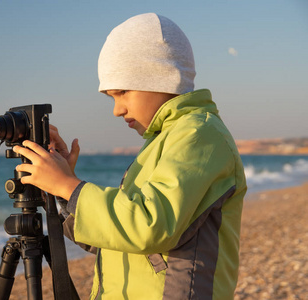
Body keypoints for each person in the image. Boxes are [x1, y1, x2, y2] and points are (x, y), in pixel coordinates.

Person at [13, 12, 247, 299]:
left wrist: (68, 186)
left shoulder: (200, 136)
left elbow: (148, 226)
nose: (117, 109)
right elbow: (116, 237)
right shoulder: (166, 140)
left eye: (122, 92)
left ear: (161, 78)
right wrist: (64, 192)